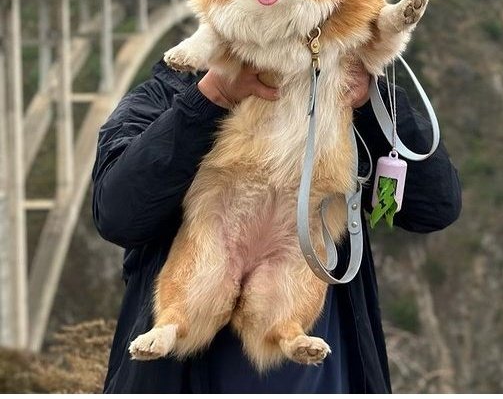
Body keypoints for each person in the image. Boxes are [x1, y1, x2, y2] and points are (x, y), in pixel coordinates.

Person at [92, 57, 462, 393]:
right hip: (178, 376)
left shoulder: (346, 93)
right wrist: (210, 99)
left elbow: (436, 206)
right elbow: (116, 213)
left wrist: (368, 102)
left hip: (323, 375)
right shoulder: (165, 95)